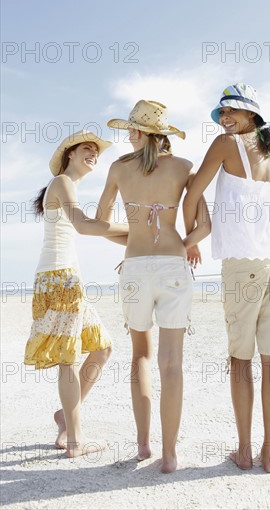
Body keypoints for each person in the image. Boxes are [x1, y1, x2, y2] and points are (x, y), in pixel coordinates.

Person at [183, 83, 270, 473]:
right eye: (222, 113)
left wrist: (190, 237)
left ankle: (244, 451)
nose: (225, 119)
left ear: (252, 115)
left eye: (232, 112)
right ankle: (269, 454)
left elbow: (193, 192)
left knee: (240, 359)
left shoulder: (226, 146)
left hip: (243, 262)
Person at [98, 100, 210, 472]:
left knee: (141, 355)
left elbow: (101, 223)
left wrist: (132, 247)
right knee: (172, 362)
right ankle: (170, 454)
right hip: (173, 265)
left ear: (142, 133)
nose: (127, 136)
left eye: (131, 130)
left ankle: (144, 444)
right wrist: (187, 243)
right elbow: (205, 227)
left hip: (134, 268)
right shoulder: (183, 168)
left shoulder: (118, 169)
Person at [24, 130, 128, 458]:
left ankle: (64, 417)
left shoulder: (69, 187)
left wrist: (140, 241)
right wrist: (136, 231)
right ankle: (74, 440)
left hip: (66, 279)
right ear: (69, 154)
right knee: (68, 358)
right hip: (59, 279)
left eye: (96, 151)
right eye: (87, 148)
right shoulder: (62, 183)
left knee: (102, 348)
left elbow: (93, 227)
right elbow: (86, 226)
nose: (93, 154)